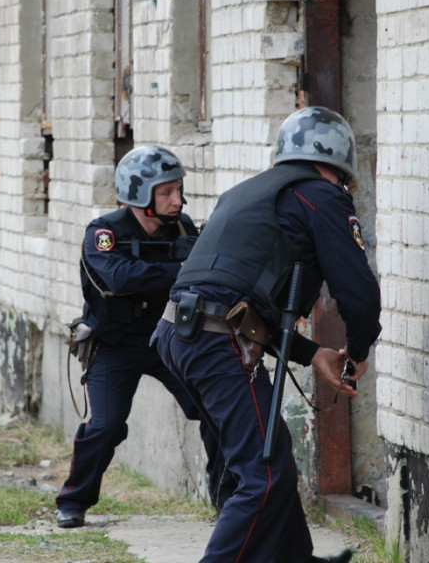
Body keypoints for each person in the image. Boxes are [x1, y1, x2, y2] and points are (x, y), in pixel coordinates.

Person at [151, 106, 382, 563]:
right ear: (337, 163)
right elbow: (358, 294)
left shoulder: (246, 193)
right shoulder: (322, 195)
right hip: (214, 340)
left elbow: (239, 302)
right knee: (263, 472)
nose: (345, 187)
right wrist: (357, 351)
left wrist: (313, 352)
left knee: (268, 455)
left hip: (178, 334)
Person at [55, 145, 233, 529]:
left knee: (216, 411)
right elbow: (118, 278)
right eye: (166, 192)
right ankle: (73, 502)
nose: (177, 200)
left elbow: (207, 272)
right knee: (105, 427)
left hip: (167, 340)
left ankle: (228, 502)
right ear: (139, 193)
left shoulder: (184, 228)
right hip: (114, 346)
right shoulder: (104, 233)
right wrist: (179, 271)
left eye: (178, 190)